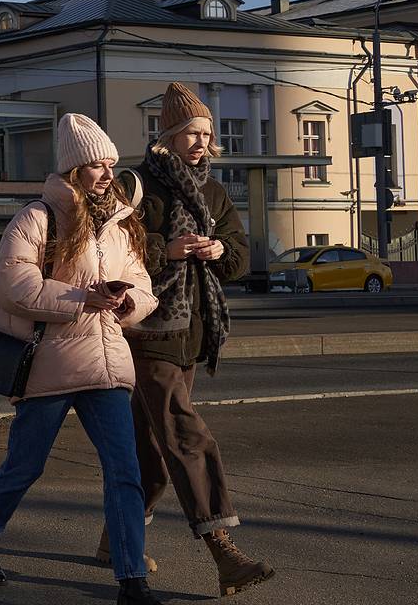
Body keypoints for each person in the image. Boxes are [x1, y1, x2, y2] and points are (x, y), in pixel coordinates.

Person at [0, 113, 165, 605]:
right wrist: (83, 297)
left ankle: (131, 581)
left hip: (107, 365)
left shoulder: (121, 224)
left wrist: (126, 302)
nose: (104, 173)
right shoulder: (38, 217)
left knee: (125, 471)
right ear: (73, 169)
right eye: (94, 165)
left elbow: (144, 287)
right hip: (48, 364)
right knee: (24, 466)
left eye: (109, 164)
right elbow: (12, 285)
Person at [112, 82, 273, 597]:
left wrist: (217, 249)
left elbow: (240, 259)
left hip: (193, 333)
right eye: (190, 133)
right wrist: (169, 250)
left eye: (206, 133)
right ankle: (223, 550)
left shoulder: (214, 192)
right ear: (169, 135)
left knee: (151, 451)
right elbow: (108, 249)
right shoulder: (136, 185)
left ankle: (116, 537)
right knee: (185, 436)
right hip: (145, 331)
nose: (201, 142)